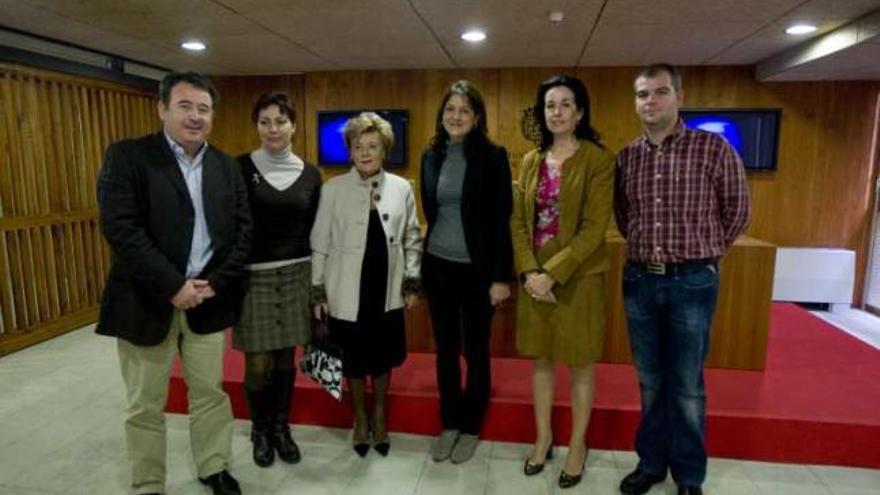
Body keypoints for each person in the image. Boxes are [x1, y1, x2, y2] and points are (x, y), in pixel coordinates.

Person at [96, 71, 251, 495]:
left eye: (204, 108)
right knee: (145, 403)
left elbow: (242, 231)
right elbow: (121, 228)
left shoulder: (225, 166)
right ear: (162, 108)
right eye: (185, 106)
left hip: (207, 300)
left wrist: (216, 282)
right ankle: (148, 482)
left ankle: (214, 465)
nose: (195, 116)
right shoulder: (128, 157)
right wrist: (172, 284)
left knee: (210, 393)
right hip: (146, 301)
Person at [614, 63, 750, 495]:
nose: (649, 101)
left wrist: (704, 257)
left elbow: (738, 212)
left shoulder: (713, 150)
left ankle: (689, 476)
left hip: (692, 281)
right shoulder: (627, 156)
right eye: (642, 94)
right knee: (650, 380)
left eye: (659, 92)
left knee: (688, 385)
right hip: (639, 280)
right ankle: (651, 464)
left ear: (679, 97)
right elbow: (624, 216)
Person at [511, 75, 615, 489]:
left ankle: (577, 444)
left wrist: (553, 273)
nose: (556, 112)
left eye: (565, 104)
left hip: (579, 279)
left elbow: (594, 229)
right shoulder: (529, 160)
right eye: (549, 105)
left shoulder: (599, 160)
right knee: (541, 360)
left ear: (580, 112)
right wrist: (531, 272)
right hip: (535, 279)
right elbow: (518, 221)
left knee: (581, 364)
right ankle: (543, 438)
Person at [310, 112, 421, 457]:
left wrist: (412, 280)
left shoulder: (402, 187)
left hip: (385, 289)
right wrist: (318, 290)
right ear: (350, 151)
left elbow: (412, 238)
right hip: (346, 289)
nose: (365, 152)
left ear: (384, 149)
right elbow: (320, 242)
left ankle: (380, 415)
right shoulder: (332, 188)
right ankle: (360, 418)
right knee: (354, 359)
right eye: (358, 146)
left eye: (372, 146)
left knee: (382, 357)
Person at [420, 80, 513, 464]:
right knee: (445, 352)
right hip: (438, 267)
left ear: (476, 118)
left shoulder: (493, 156)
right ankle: (450, 423)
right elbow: (431, 209)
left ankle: (472, 427)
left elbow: (500, 219)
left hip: (478, 272)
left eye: (464, 111)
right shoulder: (432, 155)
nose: (455, 117)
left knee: (475, 351)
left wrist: (501, 277)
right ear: (442, 116)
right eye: (450, 110)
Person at [234, 91, 321, 468]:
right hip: (253, 278)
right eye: (265, 121)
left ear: (294, 127)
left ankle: (281, 428)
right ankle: (260, 428)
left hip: (298, 273)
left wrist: (320, 287)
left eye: (280, 121)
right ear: (256, 125)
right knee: (257, 364)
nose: (273, 128)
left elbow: (318, 232)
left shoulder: (311, 173)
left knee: (287, 359)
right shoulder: (238, 168)